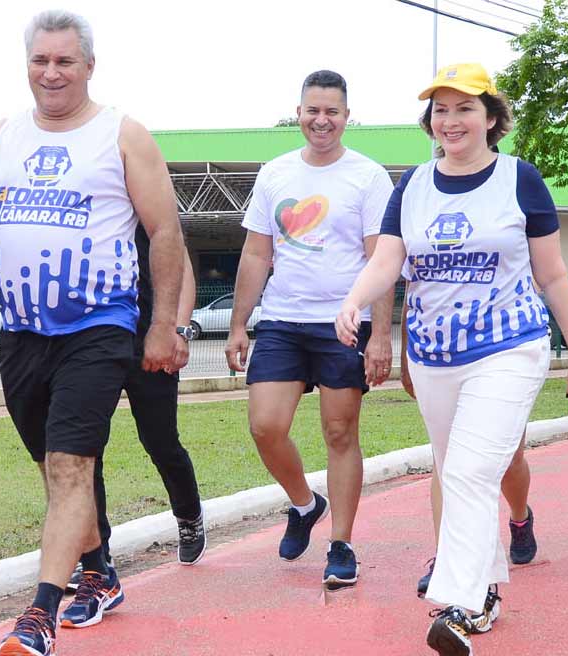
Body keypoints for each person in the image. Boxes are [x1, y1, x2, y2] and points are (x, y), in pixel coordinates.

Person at [0, 10, 186, 656]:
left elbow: (167, 233)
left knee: (72, 464)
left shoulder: (122, 136)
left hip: (98, 326)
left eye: (65, 61)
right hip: (21, 335)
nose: (52, 72)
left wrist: (164, 325)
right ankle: (99, 571)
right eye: (41, 60)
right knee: (53, 467)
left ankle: (40, 616)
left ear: (89, 66)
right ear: (27, 66)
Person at [336, 62, 568, 656]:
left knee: (469, 473)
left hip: (509, 345)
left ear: (492, 119)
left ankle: (460, 602)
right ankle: (487, 588)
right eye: (440, 111)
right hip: (434, 354)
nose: (450, 121)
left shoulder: (520, 181)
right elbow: (387, 261)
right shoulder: (413, 186)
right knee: (457, 468)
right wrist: (355, 299)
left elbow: (552, 274)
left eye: (464, 109)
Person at [224, 70, 395, 591]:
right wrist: (237, 324)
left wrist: (382, 335)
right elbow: (257, 253)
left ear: (347, 116)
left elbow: (381, 261)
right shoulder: (274, 173)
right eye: (313, 110)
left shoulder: (368, 177)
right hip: (281, 320)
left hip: (343, 323)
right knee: (265, 426)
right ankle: (305, 504)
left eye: (333, 112)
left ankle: (340, 544)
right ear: (298, 112)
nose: (322, 120)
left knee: (340, 433)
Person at [65, 229, 206, 605]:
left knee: (160, 441)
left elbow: (181, 265)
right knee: (84, 450)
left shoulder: (149, 198)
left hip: (153, 339)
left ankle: (189, 516)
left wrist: (179, 330)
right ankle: (97, 555)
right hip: (96, 341)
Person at [399, 320, 539, 598]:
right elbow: (413, 292)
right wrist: (406, 353)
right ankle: (448, 558)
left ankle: (520, 516)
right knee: (448, 461)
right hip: (446, 359)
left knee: (510, 461)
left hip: (501, 353)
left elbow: (542, 282)